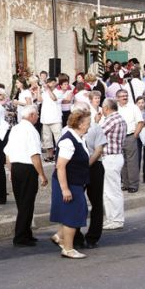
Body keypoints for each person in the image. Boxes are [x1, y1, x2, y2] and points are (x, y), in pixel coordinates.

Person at [49, 109, 91, 259]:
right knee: (73, 214)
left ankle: (59, 237)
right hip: (68, 183)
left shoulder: (78, 138)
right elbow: (60, 166)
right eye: (87, 123)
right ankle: (68, 248)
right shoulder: (68, 141)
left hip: (75, 182)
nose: (89, 126)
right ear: (79, 124)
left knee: (75, 212)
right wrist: (65, 189)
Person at [4, 104, 48, 247]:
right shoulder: (31, 131)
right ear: (31, 116)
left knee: (21, 202)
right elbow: (34, 154)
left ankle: (26, 233)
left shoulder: (15, 129)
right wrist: (42, 174)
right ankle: (21, 235)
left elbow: (8, 153)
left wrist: (10, 170)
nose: (38, 117)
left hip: (16, 167)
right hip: (27, 168)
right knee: (27, 203)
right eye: (37, 115)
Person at [72, 102, 106, 249]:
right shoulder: (69, 129)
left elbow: (99, 150)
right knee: (78, 202)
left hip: (93, 167)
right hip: (77, 168)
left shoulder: (96, 128)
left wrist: (86, 165)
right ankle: (76, 236)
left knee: (96, 203)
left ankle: (93, 237)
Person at [100, 98, 127, 230]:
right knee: (108, 190)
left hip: (111, 157)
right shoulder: (120, 118)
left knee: (112, 190)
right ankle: (111, 218)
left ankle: (116, 219)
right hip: (114, 156)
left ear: (106, 108)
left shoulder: (111, 119)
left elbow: (98, 133)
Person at [116, 89, 143, 193]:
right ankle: (126, 184)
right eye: (122, 96)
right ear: (117, 98)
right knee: (122, 162)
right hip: (118, 138)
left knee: (132, 162)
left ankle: (133, 185)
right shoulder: (116, 108)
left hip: (130, 136)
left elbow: (140, 122)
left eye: (126, 95)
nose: (125, 97)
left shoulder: (133, 107)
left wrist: (135, 135)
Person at [40, 77, 61, 162]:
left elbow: (54, 98)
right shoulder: (44, 92)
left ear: (55, 83)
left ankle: (60, 156)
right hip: (45, 119)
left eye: (51, 82)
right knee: (47, 139)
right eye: (48, 83)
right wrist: (38, 90)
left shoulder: (58, 92)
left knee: (58, 139)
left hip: (55, 119)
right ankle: (50, 156)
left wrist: (47, 89)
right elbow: (39, 100)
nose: (49, 84)